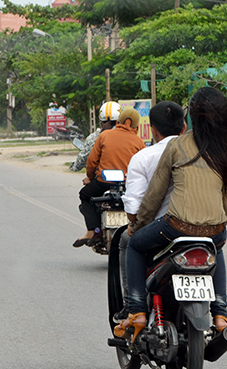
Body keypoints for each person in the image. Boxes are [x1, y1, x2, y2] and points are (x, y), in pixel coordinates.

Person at [115, 87, 227, 340]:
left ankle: (137, 311)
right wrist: (219, 225)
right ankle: (220, 314)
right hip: (214, 229)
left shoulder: (178, 145)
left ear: (191, 116)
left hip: (175, 227)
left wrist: (138, 225)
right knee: (218, 248)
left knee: (135, 246)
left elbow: (154, 196)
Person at [114, 101, 186, 321]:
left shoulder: (144, 157)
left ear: (153, 130)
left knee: (129, 241)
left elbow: (135, 209)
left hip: (163, 229)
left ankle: (134, 307)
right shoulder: (200, 153)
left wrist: (134, 225)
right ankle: (220, 311)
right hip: (202, 227)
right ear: (183, 127)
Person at [73, 108, 146, 248]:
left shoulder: (105, 135)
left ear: (118, 121)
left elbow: (92, 162)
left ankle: (92, 231)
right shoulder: (139, 142)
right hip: (127, 185)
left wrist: (89, 177)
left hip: (102, 182)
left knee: (85, 195)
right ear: (136, 126)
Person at [69, 101, 119, 172]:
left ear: (101, 121)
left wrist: (75, 166)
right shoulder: (127, 136)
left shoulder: (94, 138)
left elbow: (84, 157)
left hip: (100, 177)